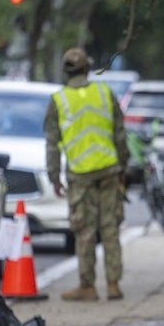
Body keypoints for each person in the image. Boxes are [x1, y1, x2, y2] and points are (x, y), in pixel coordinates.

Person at [45, 47, 129, 301]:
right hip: (108, 168)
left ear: (65, 71)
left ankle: (88, 286)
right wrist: (123, 169)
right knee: (110, 226)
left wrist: (54, 176)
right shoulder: (104, 93)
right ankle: (113, 284)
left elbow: (52, 143)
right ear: (87, 68)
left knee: (84, 230)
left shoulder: (58, 100)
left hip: (80, 174)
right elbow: (120, 134)